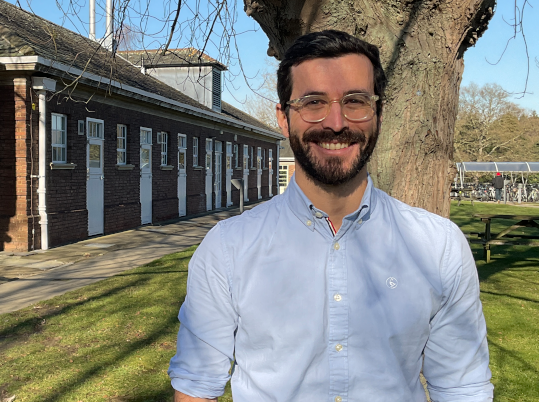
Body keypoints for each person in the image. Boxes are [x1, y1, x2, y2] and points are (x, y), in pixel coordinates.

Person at [168, 30, 492, 401]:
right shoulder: (228, 249)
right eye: (313, 102)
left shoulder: (438, 247)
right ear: (284, 118)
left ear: (379, 114)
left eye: (355, 101)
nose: (336, 122)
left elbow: (462, 387)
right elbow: (196, 386)